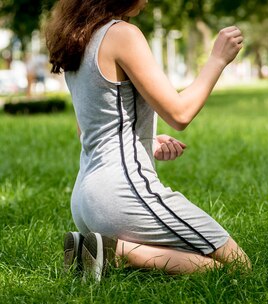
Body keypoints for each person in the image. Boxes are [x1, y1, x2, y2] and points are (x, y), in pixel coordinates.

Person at [45, 0, 250, 280]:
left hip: (85, 200)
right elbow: (180, 113)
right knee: (237, 266)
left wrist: (146, 141)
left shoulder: (79, 39)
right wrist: (217, 59)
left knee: (202, 263)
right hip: (122, 195)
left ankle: (96, 249)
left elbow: (89, 130)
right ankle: (115, 252)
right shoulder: (122, 34)